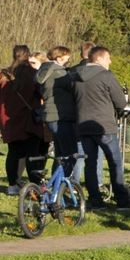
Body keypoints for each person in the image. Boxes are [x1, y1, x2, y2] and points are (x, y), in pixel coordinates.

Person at [73, 47, 130, 208]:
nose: (110, 61)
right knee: (114, 162)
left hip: (83, 125)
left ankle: (95, 199)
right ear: (99, 59)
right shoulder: (106, 75)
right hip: (104, 125)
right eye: (108, 58)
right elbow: (120, 101)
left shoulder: (75, 75)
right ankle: (122, 199)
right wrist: (118, 110)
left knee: (90, 163)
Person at [0, 45, 48, 192]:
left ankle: (13, 185)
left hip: (9, 118)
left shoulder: (4, 75)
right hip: (28, 119)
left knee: (13, 152)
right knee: (32, 153)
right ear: (27, 56)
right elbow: (42, 94)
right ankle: (34, 185)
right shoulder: (34, 74)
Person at [36, 46, 77, 177]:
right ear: (59, 58)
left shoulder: (45, 70)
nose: (68, 60)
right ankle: (62, 183)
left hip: (49, 115)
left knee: (60, 154)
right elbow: (75, 87)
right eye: (67, 57)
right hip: (61, 116)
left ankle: (56, 185)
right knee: (70, 154)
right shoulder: (60, 73)